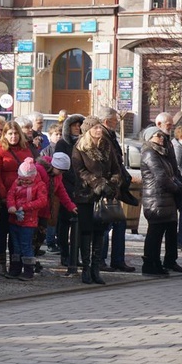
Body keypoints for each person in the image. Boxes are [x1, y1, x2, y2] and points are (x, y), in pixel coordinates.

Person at [71, 116, 123, 285]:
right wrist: (97, 183)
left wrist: (112, 183)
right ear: (88, 130)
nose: (99, 131)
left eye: (100, 127)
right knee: (86, 231)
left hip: (104, 196)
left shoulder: (107, 146)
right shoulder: (80, 147)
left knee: (100, 231)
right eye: (95, 128)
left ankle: (95, 268)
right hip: (86, 196)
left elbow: (117, 168)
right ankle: (86, 268)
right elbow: (79, 171)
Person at [141, 127, 182, 276]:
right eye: (157, 136)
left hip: (166, 199)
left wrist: (179, 185)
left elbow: (173, 174)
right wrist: (177, 187)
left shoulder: (162, 153)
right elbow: (161, 178)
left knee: (165, 231)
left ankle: (158, 263)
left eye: (162, 136)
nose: (161, 138)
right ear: (150, 139)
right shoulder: (150, 153)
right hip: (156, 199)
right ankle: (150, 264)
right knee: (155, 234)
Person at [0, 121, 36, 277]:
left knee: (17, 233)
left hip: (22, 198)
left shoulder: (27, 151)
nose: (13, 136)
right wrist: (4, 195)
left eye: (16, 133)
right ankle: (1, 262)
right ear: (5, 135)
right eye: (10, 133)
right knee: (2, 231)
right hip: (5, 198)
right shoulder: (0, 152)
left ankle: (15, 264)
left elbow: (33, 173)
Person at [98, 107, 138, 272]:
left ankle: (117, 260)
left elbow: (118, 162)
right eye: (115, 121)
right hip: (106, 187)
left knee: (119, 222)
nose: (117, 123)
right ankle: (101, 260)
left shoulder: (111, 136)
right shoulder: (102, 137)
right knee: (106, 224)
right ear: (107, 121)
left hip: (115, 186)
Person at [6, 157, 48, 280]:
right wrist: (11, 206)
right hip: (14, 220)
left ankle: (28, 270)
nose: (24, 183)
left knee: (26, 245)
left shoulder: (40, 185)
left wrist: (24, 207)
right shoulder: (17, 182)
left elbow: (42, 201)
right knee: (15, 245)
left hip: (29, 221)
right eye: (22, 180)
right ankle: (15, 268)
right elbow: (10, 195)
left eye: (27, 181)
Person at [54, 114, 84, 267]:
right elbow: (61, 165)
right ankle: (65, 254)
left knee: (78, 225)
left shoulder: (83, 143)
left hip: (81, 188)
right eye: (74, 126)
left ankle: (74, 255)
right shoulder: (62, 143)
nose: (77, 128)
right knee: (65, 223)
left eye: (79, 126)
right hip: (66, 187)